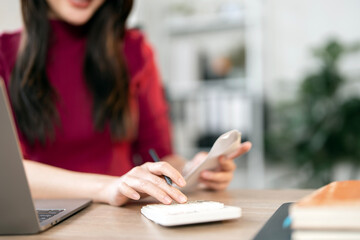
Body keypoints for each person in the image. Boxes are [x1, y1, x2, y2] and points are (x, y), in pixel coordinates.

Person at [0, 0, 252, 207]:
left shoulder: (134, 49)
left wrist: (192, 171)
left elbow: (160, 154)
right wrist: (109, 187)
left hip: (124, 215)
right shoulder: (4, 54)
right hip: (50, 217)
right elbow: (10, 173)